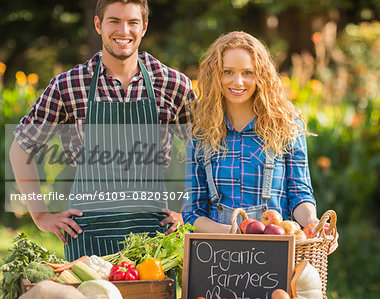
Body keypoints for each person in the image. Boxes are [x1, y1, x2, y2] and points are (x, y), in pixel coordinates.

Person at [9, 0, 194, 260]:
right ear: (98, 24)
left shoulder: (172, 84)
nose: (124, 31)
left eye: (132, 22)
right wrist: (40, 215)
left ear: (144, 27)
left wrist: (187, 211)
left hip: (154, 239)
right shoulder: (69, 85)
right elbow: (21, 147)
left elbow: (203, 149)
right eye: (114, 21)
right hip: (88, 237)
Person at [182, 31, 337, 253]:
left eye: (248, 73)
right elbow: (192, 213)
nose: (238, 81)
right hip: (217, 254)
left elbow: (299, 194)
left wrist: (314, 224)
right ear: (215, 75)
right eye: (228, 72)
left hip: (276, 254)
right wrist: (236, 235)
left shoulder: (285, 124)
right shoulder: (201, 132)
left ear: (262, 75)